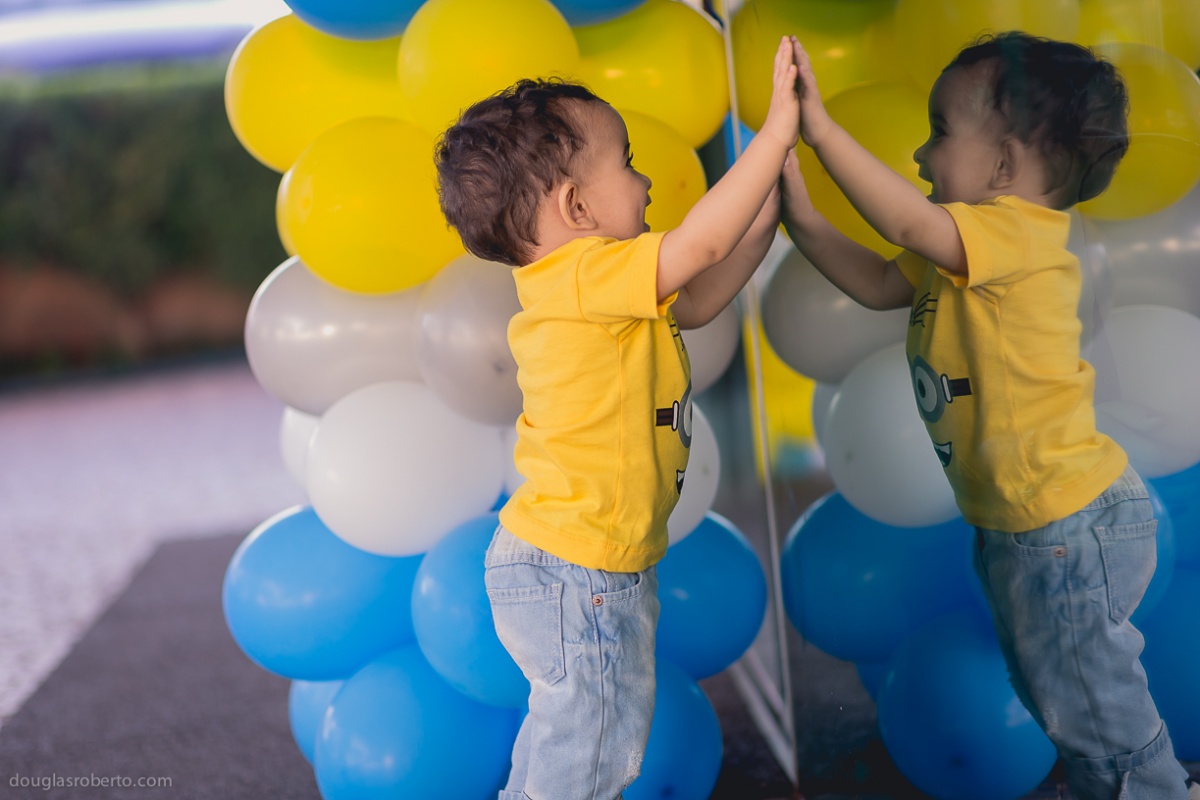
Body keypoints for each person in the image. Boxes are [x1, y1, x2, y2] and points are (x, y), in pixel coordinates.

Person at [779, 30, 1197, 799]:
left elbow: (904, 225)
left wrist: (824, 132)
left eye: (939, 132)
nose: (918, 154)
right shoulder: (965, 249)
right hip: (1028, 523)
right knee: (1062, 696)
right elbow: (876, 280)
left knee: (1093, 709)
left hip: (1065, 524)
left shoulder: (1015, 237)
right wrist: (797, 211)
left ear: (1003, 168)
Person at [433, 37, 801, 800]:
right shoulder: (584, 273)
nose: (645, 181)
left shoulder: (594, 288)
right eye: (628, 164)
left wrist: (770, 211)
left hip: (574, 564)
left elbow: (700, 293)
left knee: (570, 741)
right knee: (593, 754)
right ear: (577, 208)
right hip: (580, 570)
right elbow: (699, 245)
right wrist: (773, 139)